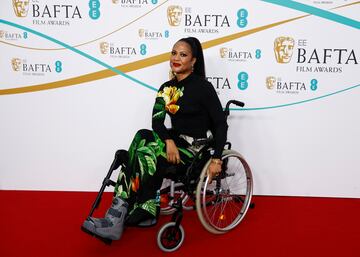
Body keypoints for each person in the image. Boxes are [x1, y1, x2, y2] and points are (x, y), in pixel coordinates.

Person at [82, 36, 228, 241]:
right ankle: (123, 214)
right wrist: (168, 141)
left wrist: (217, 159)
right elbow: (157, 123)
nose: (176, 58)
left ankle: (132, 213)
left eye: (183, 54)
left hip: (195, 150)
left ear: (194, 61)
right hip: (174, 143)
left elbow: (220, 123)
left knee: (141, 154)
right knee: (141, 138)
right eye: (174, 53)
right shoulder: (166, 88)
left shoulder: (203, 88)